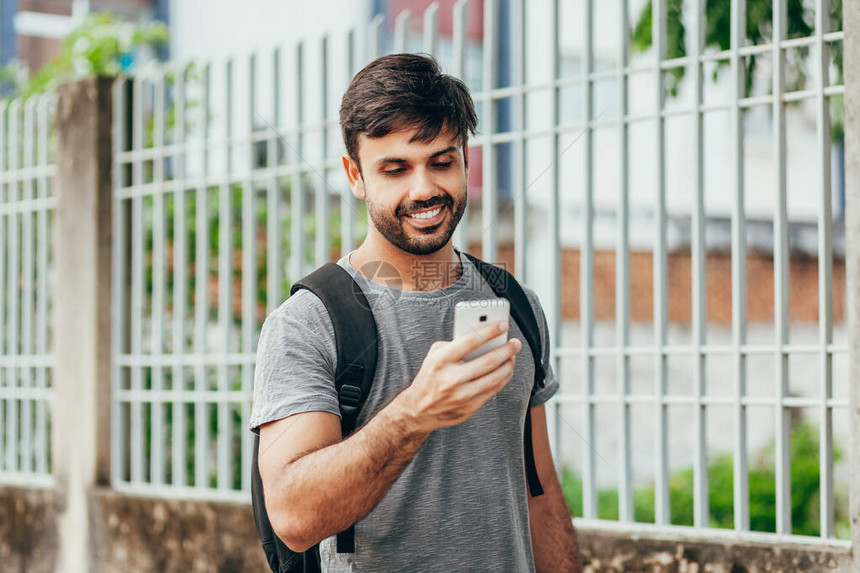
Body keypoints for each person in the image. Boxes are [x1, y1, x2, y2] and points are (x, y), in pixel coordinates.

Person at [250, 53, 581, 572]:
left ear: (466, 158)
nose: (424, 189)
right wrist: (416, 412)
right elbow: (293, 516)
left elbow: (538, 490)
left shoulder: (515, 304)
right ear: (355, 175)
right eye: (396, 168)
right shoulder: (309, 322)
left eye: (441, 162)